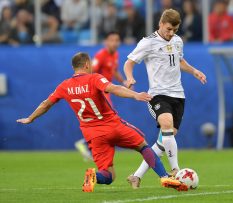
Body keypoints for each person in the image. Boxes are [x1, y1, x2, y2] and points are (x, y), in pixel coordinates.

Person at [16, 52, 187, 192]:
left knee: (109, 175)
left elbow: (46, 104)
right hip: (112, 125)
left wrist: (30, 118)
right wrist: (135, 95)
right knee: (143, 146)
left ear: (73, 67)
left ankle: (93, 176)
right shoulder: (94, 78)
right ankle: (165, 177)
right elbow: (113, 88)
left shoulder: (64, 86)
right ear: (87, 65)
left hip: (92, 133)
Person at [124, 8, 207, 188]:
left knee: (164, 141)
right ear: (160, 24)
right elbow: (129, 62)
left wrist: (194, 71)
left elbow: (179, 61)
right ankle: (176, 170)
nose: (171, 33)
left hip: (178, 95)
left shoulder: (177, 41)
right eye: (169, 29)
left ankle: (136, 176)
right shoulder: (148, 42)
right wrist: (129, 77)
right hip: (157, 95)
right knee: (167, 124)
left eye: (175, 30)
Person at [75, 31, 126, 161]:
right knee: (109, 118)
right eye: (112, 40)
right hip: (100, 91)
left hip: (106, 91)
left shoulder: (115, 54)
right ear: (106, 42)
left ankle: (89, 145)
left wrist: (123, 81)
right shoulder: (100, 55)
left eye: (117, 40)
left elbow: (113, 70)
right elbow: (90, 72)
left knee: (105, 119)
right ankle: (87, 144)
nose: (115, 43)